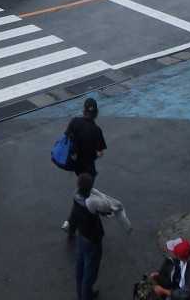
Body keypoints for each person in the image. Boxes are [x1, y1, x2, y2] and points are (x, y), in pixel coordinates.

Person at [61, 97, 107, 234]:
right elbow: (100, 152)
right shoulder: (96, 130)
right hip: (88, 169)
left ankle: (72, 224)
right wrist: (94, 153)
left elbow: (66, 136)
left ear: (84, 110)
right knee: (82, 196)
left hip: (77, 167)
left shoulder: (74, 122)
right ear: (96, 113)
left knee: (82, 194)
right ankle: (71, 223)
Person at [67, 173, 104, 300]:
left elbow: (73, 215)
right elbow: (106, 208)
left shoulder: (76, 198)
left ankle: (82, 295)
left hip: (81, 237)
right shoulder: (91, 204)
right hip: (92, 241)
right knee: (90, 273)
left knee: (80, 268)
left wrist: (71, 230)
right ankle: (86, 296)